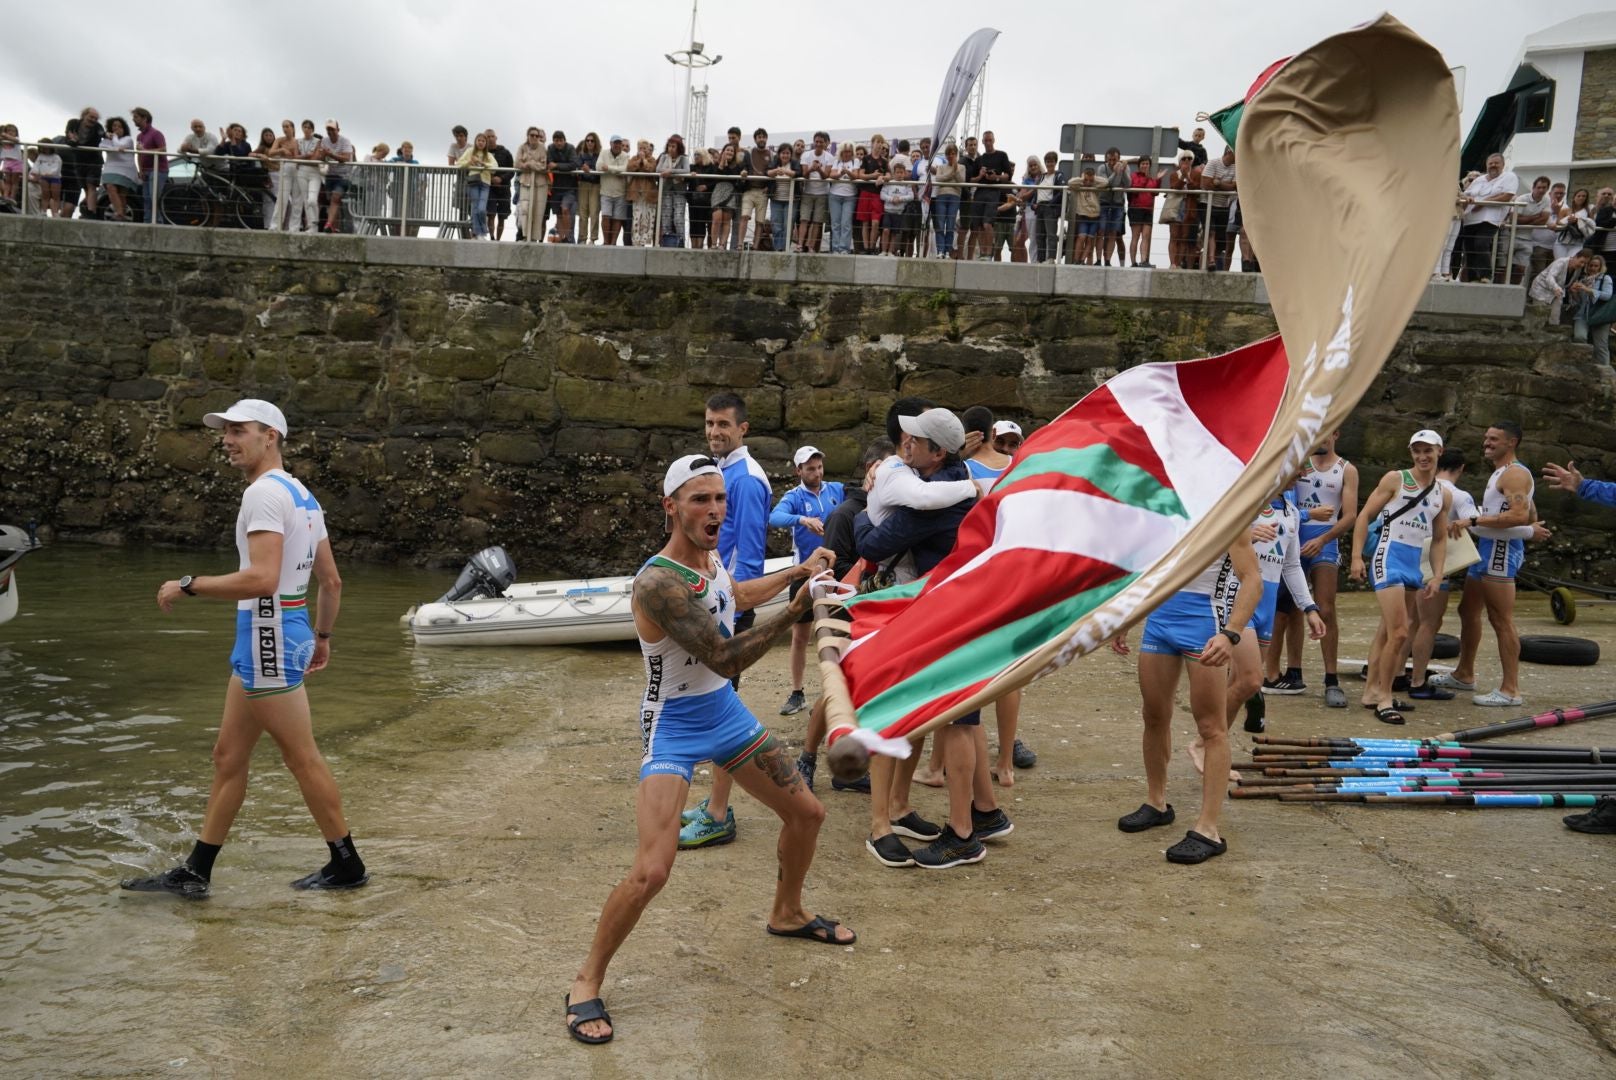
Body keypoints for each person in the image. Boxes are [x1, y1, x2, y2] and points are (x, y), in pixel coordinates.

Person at [563, 455, 850, 1046]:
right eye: (700, 500)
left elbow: (731, 592)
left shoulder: (708, 555)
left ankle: (787, 913)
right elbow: (726, 656)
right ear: (671, 507)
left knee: (808, 813)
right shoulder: (658, 582)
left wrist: (798, 573)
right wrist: (794, 611)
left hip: (724, 713)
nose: (715, 509)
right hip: (673, 725)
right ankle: (586, 979)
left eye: (719, 498)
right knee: (653, 870)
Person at [120, 399, 363, 900]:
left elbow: (261, 578)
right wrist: (321, 637)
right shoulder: (302, 495)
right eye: (225, 431)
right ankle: (196, 872)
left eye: (239, 430)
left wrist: (187, 585)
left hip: (267, 636)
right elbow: (332, 581)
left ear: (269, 435)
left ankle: (348, 864)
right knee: (228, 756)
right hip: (282, 631)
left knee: (302, 758)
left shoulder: (263, 495)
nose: (228, 439)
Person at [855, 407, 1012, 869]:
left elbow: (872, 545)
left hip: (943, 613)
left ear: (937, 451)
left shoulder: (935, 498)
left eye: (916, 440)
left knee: (922, 714)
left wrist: (858, 512)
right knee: (952, 718)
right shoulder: (956, 476)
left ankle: (943, 831)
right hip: (966, 609)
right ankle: (961, 815)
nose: (906, 443)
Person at [1122, 536, 1263, 864]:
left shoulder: (1226, 511)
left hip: (1204, 623)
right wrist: (1126, 618)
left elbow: (1252, 579)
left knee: (1212, 728)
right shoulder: (1166, 509)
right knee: (1154, 715)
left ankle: (1208, 829)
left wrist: (1231, 633)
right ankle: (1156, 803)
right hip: (1159, 620)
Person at [677, 393, 774, 849]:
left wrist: (730, 610)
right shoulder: (722, 473)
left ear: (743, 429)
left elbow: (749, 558)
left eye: (723, 425)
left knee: (721, 709)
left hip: (730, 608)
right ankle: (714, 804)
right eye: (709, 423)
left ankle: (718, 812)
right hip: (716, 602)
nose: (714, 431)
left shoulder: (747, 480)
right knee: (715, 705)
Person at [1425, 423, 1535, 707]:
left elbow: (1520, 514)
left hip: (1500, 549)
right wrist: (1532, 526)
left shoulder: (1514, 473)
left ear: (1512, 442)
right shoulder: (1502, 473)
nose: (1486, 442)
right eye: (1486, 438)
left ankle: (1510, 690)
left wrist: (1473, 520)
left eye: (1494, 439)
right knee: (1468, 609)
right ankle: (1464, 674)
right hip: (1487, 547)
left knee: (1501, 619)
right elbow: (1530, 513)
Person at [1351, 430, 1451, 725]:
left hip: (1412, 564)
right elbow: (1363, 516)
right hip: (1388, 556)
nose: (1422, 456)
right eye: (1417, 450)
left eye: (1428, 451)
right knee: (1400, 632)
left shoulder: (1441, 493)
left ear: (1439, 452)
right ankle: (1384, 697)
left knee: (1387, 631)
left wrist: (1437, 575)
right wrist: (1357, 556)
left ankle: (1371, 693)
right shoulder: (1396, 479)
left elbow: (1440, 538)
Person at [1264, 430, 1358, 707]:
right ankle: (1288, 672)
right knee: (1285, 611)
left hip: (1324, 541)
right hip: (1293, 536)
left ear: (1337, 434)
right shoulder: (1298, 464)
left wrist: (1323, 539)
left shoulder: (1346, 469)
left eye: (1327, 433)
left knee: (1325, 608)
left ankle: (1331, 680)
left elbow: (1350, 514)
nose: (1321, 438)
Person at [769, 447, 845, 715]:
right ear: (798, 471)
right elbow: (774, 517)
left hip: (836, 574)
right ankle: (797, 693)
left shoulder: (837, 489)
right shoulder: (794, 497)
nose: (817, 472)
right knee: (800, 637)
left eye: (819, 467)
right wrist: (802, 520)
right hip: (804, 575)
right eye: (810, 468)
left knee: (836, 635)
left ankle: (835, 694)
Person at [1457, 154, 1520, 283]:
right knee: (1469, 248)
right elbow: (1467, 195)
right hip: (1470, 218)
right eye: (1490, 163)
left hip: (1491, 219)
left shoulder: (1509, 177)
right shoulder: (1479, 180)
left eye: (1496, 163)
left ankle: (1486, 275)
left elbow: (1507, 196)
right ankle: (1473, 278)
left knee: (1481, 243)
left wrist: (1483, 202)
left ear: (1503, 165)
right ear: (1486, 165)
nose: (1493, 165)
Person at [1567, 253, 1613, 366]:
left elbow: (1607, 295)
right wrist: (1573, 293)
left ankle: (1605, 374)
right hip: (1583, 314)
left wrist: (1588, 290)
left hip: (1600, 315)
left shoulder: (1605, 278)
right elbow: (1578, 303)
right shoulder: (1582, 279)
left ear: (1601, 267)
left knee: (1601, 346)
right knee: (1579, 337)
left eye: (1596, 266)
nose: (1593, 268)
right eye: (1591, 265)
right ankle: (1581, 367)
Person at [974, 132, 1012, 260]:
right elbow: (972, 179)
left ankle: (989, 253)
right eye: (986, 140)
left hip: (993, 192)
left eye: (990, 140)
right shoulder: (979, 159)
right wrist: (980, 174)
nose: (988, 142)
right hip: (980, 192)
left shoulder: (1002, 155)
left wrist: (995, 177)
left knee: (987, 223)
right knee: (979, 224)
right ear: (983, 142)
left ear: (994, 140)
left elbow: (1008, 175)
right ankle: (982, 253)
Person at [796, 132, 834, 253]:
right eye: (816, 141)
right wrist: (811, 168)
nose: (818, 144)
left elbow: (826, 176)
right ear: (813, 142)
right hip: (808, 191)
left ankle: (811, 246)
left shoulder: (829, 157)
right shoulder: (806, 155)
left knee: (817, 221)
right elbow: (804, 175)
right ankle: (800, 245)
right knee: (804, 219)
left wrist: (819, 170)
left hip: (822, 193)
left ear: (825, 143)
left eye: (821, 142)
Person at [314, 119, 355, 234]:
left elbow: (346, 158)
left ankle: (328, 224)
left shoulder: (345, 141)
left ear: (338, 129)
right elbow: (319, 157)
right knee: (333, 202)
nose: (330, 131)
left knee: (335, 198)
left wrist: (330, 154)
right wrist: (320, 151)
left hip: (343, 176)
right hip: (330, 175)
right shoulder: (324, 141)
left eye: (332, 129)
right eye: (328, 129)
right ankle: (333, 227)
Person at [1201, 146, 1236, 271]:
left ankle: (1213, 261)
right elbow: (1206, 184)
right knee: (1210, 232)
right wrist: (1225, 186)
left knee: (1220, 237)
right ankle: (1210, 260)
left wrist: (1218, 183)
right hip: (1208, 204)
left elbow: (1234, 187)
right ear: (1229, 152)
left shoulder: (1236, 167)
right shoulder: (1213, 163)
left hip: (1223, 206)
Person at [131, 107, 167, 224]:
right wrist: (140, 170)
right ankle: (147, 222)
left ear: (144, 118)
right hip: (145, 171)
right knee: (146, 199)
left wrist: (145, 150)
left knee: (153, 198)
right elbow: (139, 154)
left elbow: (163, 149)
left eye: (136, 117)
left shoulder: (156, 133)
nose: (133, 119)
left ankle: (158, 223)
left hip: (158, 170)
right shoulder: (139, 136)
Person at [739, 127, 773, 250]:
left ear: (766, 139)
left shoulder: (771, 155)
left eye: (764, 137)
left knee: (760, 221)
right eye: (759, 137)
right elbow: (743, 167)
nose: (762, 139)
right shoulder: (749, 152)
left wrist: (769, 187)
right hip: (749, 190)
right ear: (755, 139)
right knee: (744, 217)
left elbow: (773, 173)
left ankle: (755, 246)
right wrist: (743, 172)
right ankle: (739, 244)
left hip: (762, 191)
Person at [98, 116, 138, 221]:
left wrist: (114, 138)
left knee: (122, 195)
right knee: (110, 187)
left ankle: (122, 216)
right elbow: (102, 146)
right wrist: (114, 145)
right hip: (110, 168)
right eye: (114, 126)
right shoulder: (106, 139)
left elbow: (119, 145)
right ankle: (119, 213)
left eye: (120, 126)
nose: (117, 128)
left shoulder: (128, 139)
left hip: (125, 169)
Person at [514, 127, 549, 244]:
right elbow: (517, 164)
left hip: (540, 184)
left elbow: (543, 166)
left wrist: (529, 164)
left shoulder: (542, 148)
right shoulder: (522, 147)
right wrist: (530, 164)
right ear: (528, 136)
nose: (534, 137)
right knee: (525, 209)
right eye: (532, 135)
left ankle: (534, 238)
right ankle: (525, 236)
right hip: (525, 182)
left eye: (537, 136)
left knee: (538, 212)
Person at [457, 133, 495, 240]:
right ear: (475, 141)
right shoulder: (470, 151)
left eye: (483, 141)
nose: (481, 142)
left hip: (485, 183)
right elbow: (459, 163)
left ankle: (482, 231)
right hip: (473, 182)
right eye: (479, 140)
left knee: (481, 209)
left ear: (486, 143)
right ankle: (478, 233)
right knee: (474, 208)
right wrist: (470, 162)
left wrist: (483, 163)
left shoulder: (489, 155)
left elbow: (495, 167)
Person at [1095, 147, 1128, 267]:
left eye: (1114, 159)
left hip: (1118, 204)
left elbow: (1128, 184)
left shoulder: (1125, 167)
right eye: (1109, 160)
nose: (1112, 162)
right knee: (1101, 231)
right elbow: (1107, 183)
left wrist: (1123, 170)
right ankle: (1098, 260)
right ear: (1106, 159)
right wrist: (1115, 172)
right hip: (1103, 203)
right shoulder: (1101, 168)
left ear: (1119, 158)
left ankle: (1108, 260)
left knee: (1113, 233)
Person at [655, 135, 689, 248]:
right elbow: (658, 169)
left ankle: (681, 242)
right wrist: (670, 172)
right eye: (669, 146)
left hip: (679, 191)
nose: (671, 148)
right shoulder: (664, 156)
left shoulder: (684, 158)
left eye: (673, 146)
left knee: (678, 218)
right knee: (665, 216)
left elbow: (686, 170)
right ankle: (666, 241)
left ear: (678, 147)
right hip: (666, 190)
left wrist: (671, 171)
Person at [827, 143, 860, 255]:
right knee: (835, 223)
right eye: (845, 151)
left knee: (846, 223)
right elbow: (832, 175)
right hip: (835, 195)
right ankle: (835, 248)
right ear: (841, 152)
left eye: (849, 151)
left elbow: (856, 176)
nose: (847, 154)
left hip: (849, 196)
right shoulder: (837, 162)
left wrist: (847, 172)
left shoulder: (855, 161)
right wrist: (841, 173)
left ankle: (844, 248)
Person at [627, 140, 659, 248]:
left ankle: (644, 241)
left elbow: (651, 169)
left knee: (648, 217)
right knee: (637, 216)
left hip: (649, 195)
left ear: (648, 149)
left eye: (644, 148)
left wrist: (644, 161)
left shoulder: (652, 159)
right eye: (640, 148)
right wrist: (638, 161)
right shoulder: (633, 159)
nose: (642, 150)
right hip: (636, 194)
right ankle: (636, 240)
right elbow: (629, 168)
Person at [1127, 155, 1157, 268]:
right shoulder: (1134, 176)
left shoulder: (1151, 178)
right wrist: (1146, 178)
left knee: (1146, 235)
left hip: (1148, 209)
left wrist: (1157, 180)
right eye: (1143, 163)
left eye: (1147, 163)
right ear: (1139, 166)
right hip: (1136, 208)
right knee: (1135, 236)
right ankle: (1133, 262)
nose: (1145, 165)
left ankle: (1144, 261)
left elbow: (1155, 192)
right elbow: (1135, 187)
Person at [1067, 166, 1102, 265]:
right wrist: (1082, 179)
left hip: (1095, 217)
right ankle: (1076, 260)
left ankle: (1082, 260)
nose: (1088, 182)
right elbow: (1070, 182)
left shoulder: (1096, 186)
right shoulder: (1079, 185)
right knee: (1081, 237)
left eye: (1090, 180)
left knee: (1090, 240)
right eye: (1086, 180)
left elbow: (1106, 182)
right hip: (1083, 216)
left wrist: (1094, 179)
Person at [485, 129, 514, 242]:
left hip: (504, 188)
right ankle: (492, 238)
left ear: (496, 138)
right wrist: (491, 179)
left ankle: (498, 239)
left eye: (492, 136)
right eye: (488, 136)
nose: (490, 138)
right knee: (491, 214)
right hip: (489, 187)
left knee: (502, 217)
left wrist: (501, 179)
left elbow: (512, 171)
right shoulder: (482, 153)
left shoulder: (505, 152)